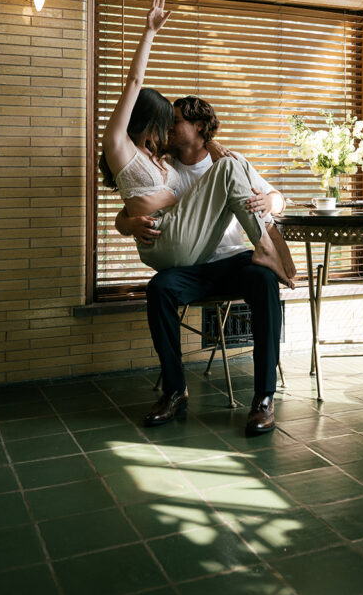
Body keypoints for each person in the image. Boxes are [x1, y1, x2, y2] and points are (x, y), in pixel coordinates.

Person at [115, 92, 289, 436]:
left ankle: (264, 398)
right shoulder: (164, 168)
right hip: (193, 266)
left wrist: (268, 202)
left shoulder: (229, 160)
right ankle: (174, 391)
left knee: (264, 280)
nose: (168, 127)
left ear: (198, 126)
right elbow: (130, 208)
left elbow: (279, 199)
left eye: (176, 120)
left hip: (236, 259)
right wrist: (129, 224)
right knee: (159, 288)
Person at [100, 0, 295, 286]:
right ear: (149, 120)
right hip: (165, 238)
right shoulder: (120, 147)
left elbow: (137, 202)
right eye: (165, 122)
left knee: (232, 165)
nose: (168, 129)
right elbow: (134, 82)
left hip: (191, 241)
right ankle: (268, 248)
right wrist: (149, 32)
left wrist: (213, 145)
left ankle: (272, 249)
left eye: (173, 123)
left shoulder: (159, 157)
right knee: (229, 167)